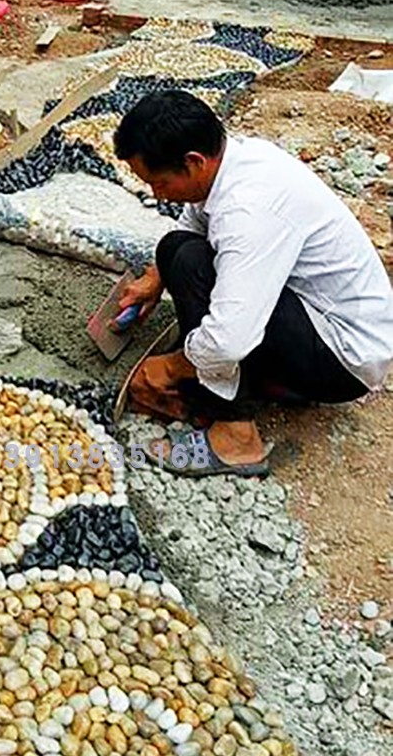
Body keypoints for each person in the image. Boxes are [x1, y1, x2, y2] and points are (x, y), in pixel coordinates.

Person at [113, 89, 393, 478]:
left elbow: (230, 340)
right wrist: (154, 281)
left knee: (195, 267)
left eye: (158, 182)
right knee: (175, 249)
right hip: (318, 317)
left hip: (343, 359)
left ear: (194, 162)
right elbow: (193, 223)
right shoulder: (233, 160)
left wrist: (172, 367)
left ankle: (236, 438)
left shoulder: (249, 210)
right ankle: (254, 380)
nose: (156, 194)